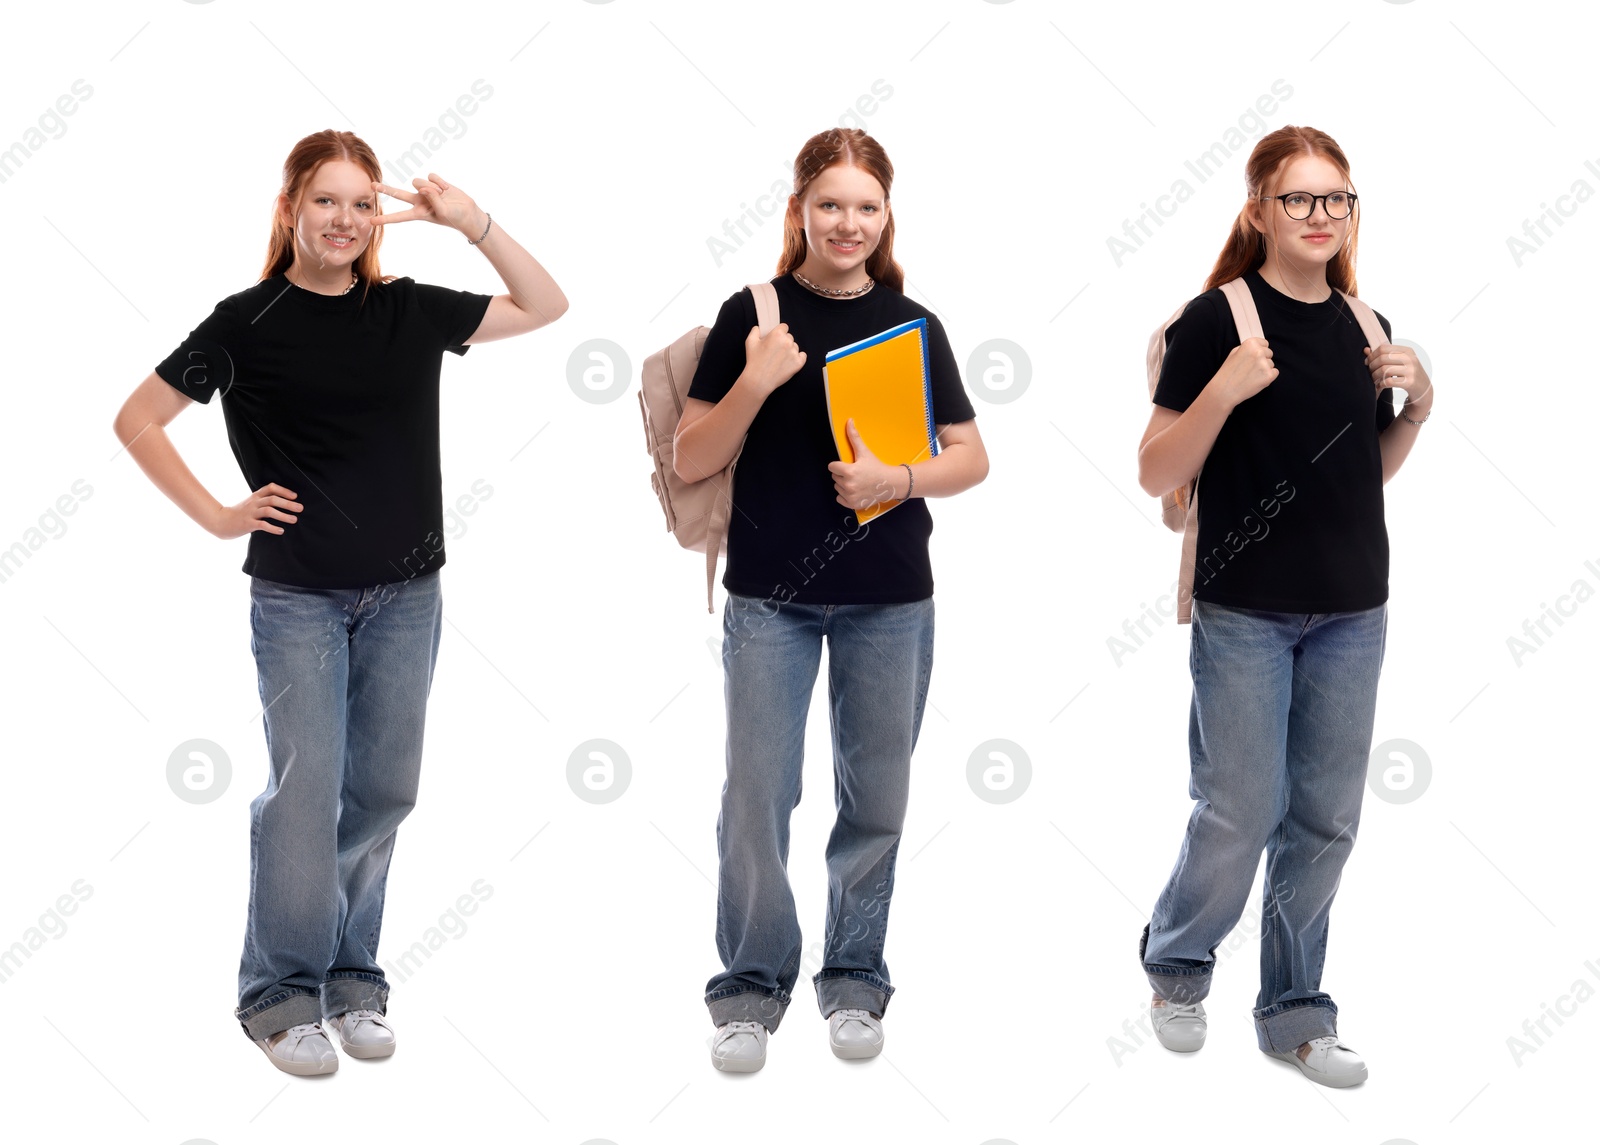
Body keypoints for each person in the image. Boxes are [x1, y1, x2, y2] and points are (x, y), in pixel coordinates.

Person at [111, 129, 568, 1076]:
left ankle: (354, 978)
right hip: (299, 599)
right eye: (327, 201)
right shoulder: (246, 321)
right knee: (304, 793)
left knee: (386, 789)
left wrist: (469, 220)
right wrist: (218, 515)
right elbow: (138, 419)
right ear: (290, 210)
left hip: (409, 593)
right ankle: (280, 995)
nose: (347, 220)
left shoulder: (405, 310)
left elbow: (546, 304)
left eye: (363, 203)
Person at [674, 127, 989, 1073]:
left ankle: (855, 981)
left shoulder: (913, 322)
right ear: (799, 210)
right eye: (830, 205)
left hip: (890, 595)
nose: (848, 223)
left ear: (886, 214)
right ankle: (750, 989)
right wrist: (757, 381)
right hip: (771, 597)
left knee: (876, 796)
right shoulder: (754, 314)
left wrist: (898, 474)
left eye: (866, 207)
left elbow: (973, 456)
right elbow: (692, 455)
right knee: (759, 794)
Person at [1134, 125, 1432, 1087]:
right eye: (1298, 198)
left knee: (1326, 818)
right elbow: (1156, 471)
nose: (1319, 216)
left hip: (1352, 611)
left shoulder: (1366, 325)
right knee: (1240, 806)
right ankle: (1178, 963)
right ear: (1258, 208)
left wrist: (1418, 409)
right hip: (1247, 609)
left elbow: (1363, 474)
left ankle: (1295, 1011)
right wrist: (1221, 391)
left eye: (1336, 198)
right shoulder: (1215, 322)